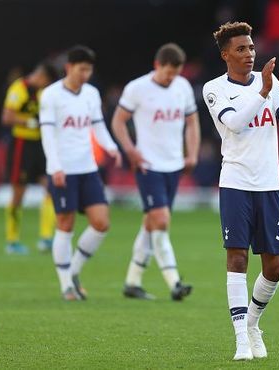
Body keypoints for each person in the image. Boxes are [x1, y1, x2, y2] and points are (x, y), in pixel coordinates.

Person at [202, 22, 279, 360]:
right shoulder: (213, 88)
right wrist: (264, 91)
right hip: (236, 183)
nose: (249, 54)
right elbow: (235, 123)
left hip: (269, 184)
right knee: (238, 258)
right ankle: (241, 341)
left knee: (275, 268)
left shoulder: (268, 82)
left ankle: (253, 323)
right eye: (241, 49)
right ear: (225, 54)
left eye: (252, 48)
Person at [112, 43, 200, 301]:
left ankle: (132, 281)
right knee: (161, 221)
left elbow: (192, 123)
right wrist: (130, 149)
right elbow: (118, 120)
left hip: (173, 166)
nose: (171, 78)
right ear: (157, 65)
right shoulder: (137, 88)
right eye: (167, 73)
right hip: (148, 165)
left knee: (151, 224)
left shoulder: (182, 87)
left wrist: (192, 154)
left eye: (176, 73)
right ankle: (174, 282)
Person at [39, 45, 122, 301]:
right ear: (69, 68)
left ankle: (73, 271)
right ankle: (66, 285)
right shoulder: (51, 95)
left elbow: (97, 125)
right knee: (65, 225)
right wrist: (55, 167)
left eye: (89, 69)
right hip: (63, 169)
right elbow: (48, 134)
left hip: (87, 167)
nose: (85, 74)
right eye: (81, 69)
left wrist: (111, 148)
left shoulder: (91, 94)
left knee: (101, 222)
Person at [2, 63, 58, 254]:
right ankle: (12, 240)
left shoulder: (45, 93)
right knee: (19, 193)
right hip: (22, 145)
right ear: (41, 76)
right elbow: (7, 117)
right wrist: (29, 122)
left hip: (41, 145)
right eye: (45, 81)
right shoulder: (20, 88)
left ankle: (46, 238)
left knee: (50, 188)